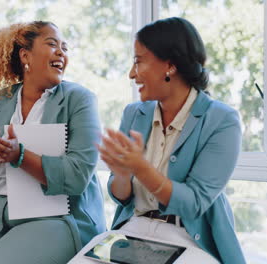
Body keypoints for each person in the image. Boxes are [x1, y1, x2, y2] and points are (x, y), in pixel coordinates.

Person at [0, 21, 106, 264]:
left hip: (54, 217)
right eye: (52, 44)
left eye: (65, 48)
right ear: (26, 55)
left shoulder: (80, 99)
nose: (61, 53)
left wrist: (19, 156)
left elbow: (76, 177)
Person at [97, 17, 244, 263]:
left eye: (138, 61)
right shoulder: (133, 113)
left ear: (170, 65)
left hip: (188, 237)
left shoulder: (222, 120)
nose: (132, 74)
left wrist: (140, 168)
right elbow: (120, 196)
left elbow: (194, 204)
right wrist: (122, 175)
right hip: (132, 231)